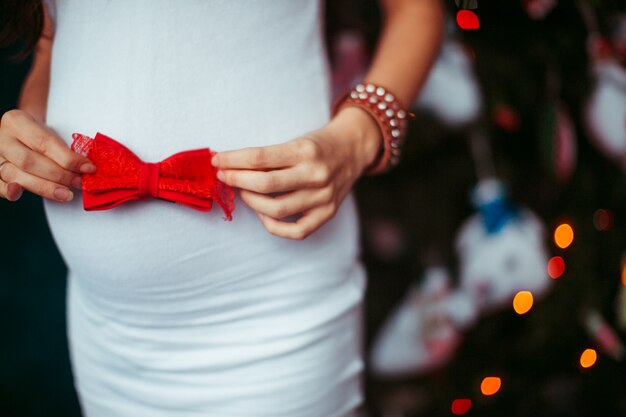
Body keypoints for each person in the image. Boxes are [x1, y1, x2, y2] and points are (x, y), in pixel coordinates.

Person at [0, 0, 443, 416]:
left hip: (280, 320)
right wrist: (29, 124)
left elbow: (416, 10)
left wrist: (361, 135)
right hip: (107, 334)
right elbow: (52, 44)